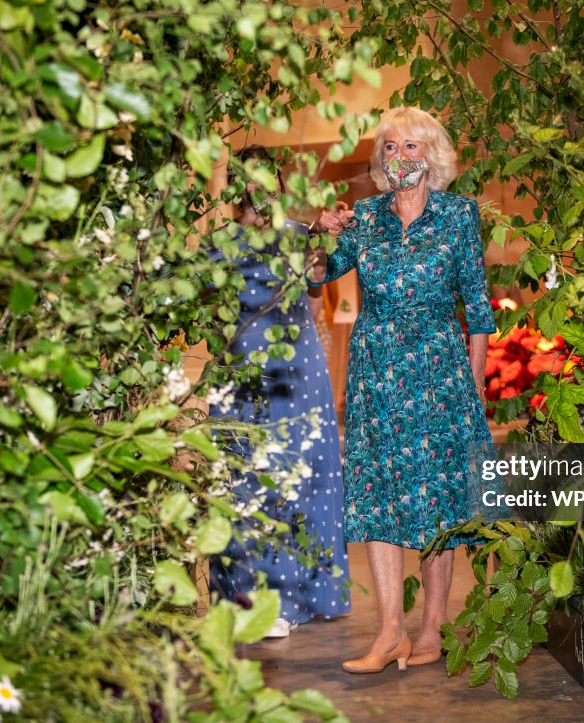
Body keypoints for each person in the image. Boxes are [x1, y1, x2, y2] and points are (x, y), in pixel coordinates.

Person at [308, 107, 497, 672]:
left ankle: (433, 626)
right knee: (378, 495)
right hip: (376, 375)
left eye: (412, 146)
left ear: (431, 155)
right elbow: (319, 276)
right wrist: (320, 234)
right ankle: (390, 631)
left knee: (438, 499)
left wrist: (475, 384)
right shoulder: (365, 217)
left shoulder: (457, 215)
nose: (400, 156)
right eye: (391, 147)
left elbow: (478, 308)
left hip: (440, 374)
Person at [209, 146, 350, 637]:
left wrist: (323, 242)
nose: (259, 187)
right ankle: (244, 596)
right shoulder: (219, 244)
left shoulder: (297, 234)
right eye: (248, 178)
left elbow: (316, 295)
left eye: (266, 177)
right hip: (241, 375)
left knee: (296, 479)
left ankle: (288, 600)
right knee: (244, 481)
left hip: (295, 374)